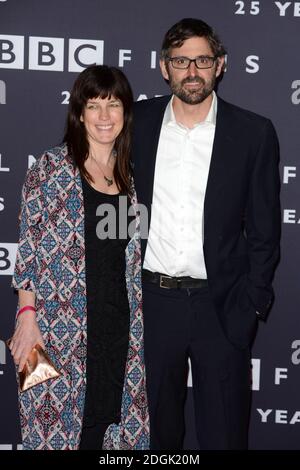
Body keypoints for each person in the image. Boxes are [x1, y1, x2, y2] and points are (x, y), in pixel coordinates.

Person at [132, 18, 281, 450]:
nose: (192, 70)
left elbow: (265, 231)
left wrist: (250, 304)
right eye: (181, 60)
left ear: (220, 65)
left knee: (224, 435)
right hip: (151, 305)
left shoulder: (253, 133)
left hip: (222, 307)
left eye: (202, 59)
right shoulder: (135, 122)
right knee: (156, 436)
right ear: (164, 68)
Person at [8, 65, 149, 450]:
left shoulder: (132, 178)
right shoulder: (52, 168)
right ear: (79, 113)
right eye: (94, 105)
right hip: (54, 331)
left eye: (113, 105)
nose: (104, 117)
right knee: (48, 430)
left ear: (125, 112)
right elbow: (30, 248)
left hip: (118, 333)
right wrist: (26, 318)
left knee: (112, 431)